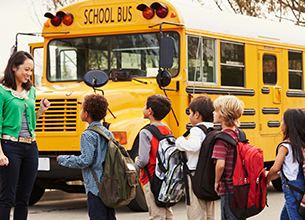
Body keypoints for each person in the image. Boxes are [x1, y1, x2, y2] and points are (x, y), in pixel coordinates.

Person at [0, 51, 50, 220]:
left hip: (31, 147)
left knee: (24, 198)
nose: (29, 73)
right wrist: (0, 153)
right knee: (7, 197)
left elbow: (30, 122)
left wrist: (41, 111)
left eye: (31, 70)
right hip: (9, 147)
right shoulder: (2, 92)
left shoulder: (32, 92)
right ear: (14, 67)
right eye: (26, 69)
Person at [57, 93, 116, 220]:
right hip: (109, 184)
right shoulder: (108, 133)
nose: (80, 111)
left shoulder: (88, 135)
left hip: (95, 187)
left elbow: (85, 160)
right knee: (109, 216)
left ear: (87, 114)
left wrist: (62, 159)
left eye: (81, 108)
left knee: (97, 216)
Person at [176, 95, 215, 220]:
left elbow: (193, 146)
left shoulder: (196, 130)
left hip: (194, 174)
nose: (190, 116)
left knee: (195, 210)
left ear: (197, 115)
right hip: (209, 173)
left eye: (190, 113)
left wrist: (180, 141)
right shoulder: (213, 129)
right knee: (209, 210)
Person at [134, 94, 173, 220]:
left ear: (150, 111)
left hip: (151, 177)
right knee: (167, 212)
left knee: (156, 214)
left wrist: (136, 164)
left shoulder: (145, 132)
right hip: (166, 178)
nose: (143, 108)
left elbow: (144, 159)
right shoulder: (167, 129)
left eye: (145, 105)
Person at [266, 108, 305, 220]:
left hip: (292, 189)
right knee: (285, 217)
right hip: (299, 187)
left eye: (282, 121)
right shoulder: (301, 145)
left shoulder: (285, 146)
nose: (280, 123)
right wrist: (278, 175)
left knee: (294, 217)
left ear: (288, 125)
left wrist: (268, 178)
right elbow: (293, 168)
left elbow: (275, 167)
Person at [211, 95, 244, 220]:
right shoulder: (240, 134)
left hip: (228, 187)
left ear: (224, 115)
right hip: (240, 185)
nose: (213, 113)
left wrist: (216, 181)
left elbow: (220, 165)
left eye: (216, 110)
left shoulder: (221, 138)